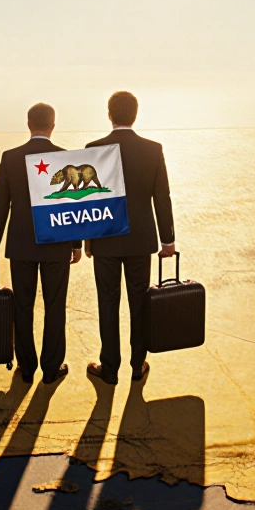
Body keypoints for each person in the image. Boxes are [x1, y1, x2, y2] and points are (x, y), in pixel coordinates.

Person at [0, 103, 82, 385]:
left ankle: (26, 368)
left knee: (22, 307)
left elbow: (0, 203)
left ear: (29, 125)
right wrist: (76, 243)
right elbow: (73, 203)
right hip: (56, 244)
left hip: (21, 245)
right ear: (53, 125)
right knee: (55, 306)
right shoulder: (66, 158)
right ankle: (51, 369)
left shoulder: (10, 157)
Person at [85, 91, 175, 385]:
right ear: (135, 115)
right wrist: (168, 240)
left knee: (107, 303)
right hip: (140, 240)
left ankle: (109, 368)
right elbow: (162, 197)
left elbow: (87, 200)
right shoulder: (152, 149)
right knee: (139, 303)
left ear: (109, 115)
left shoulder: (94, 148)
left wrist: (87, 238)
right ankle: (138, 365)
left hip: (106, 239)